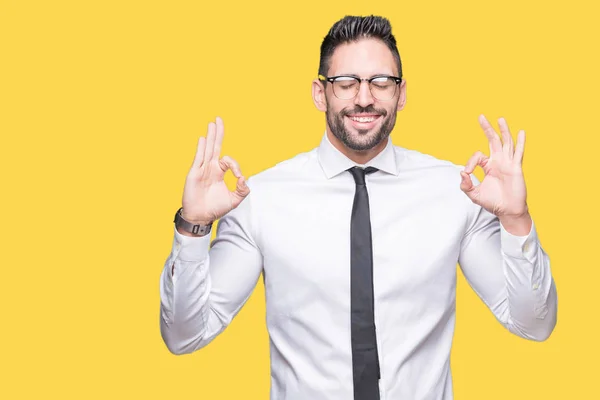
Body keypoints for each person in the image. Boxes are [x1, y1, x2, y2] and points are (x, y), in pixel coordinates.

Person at [159, 15, 557, 400]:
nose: (364, 98)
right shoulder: (259, 200)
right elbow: (184, 337)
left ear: (401, 94)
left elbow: (533, 324)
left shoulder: (457, 191)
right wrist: (192, 228)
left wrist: (515, 220)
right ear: (321, 93)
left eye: (381, 82)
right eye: (346, 83)